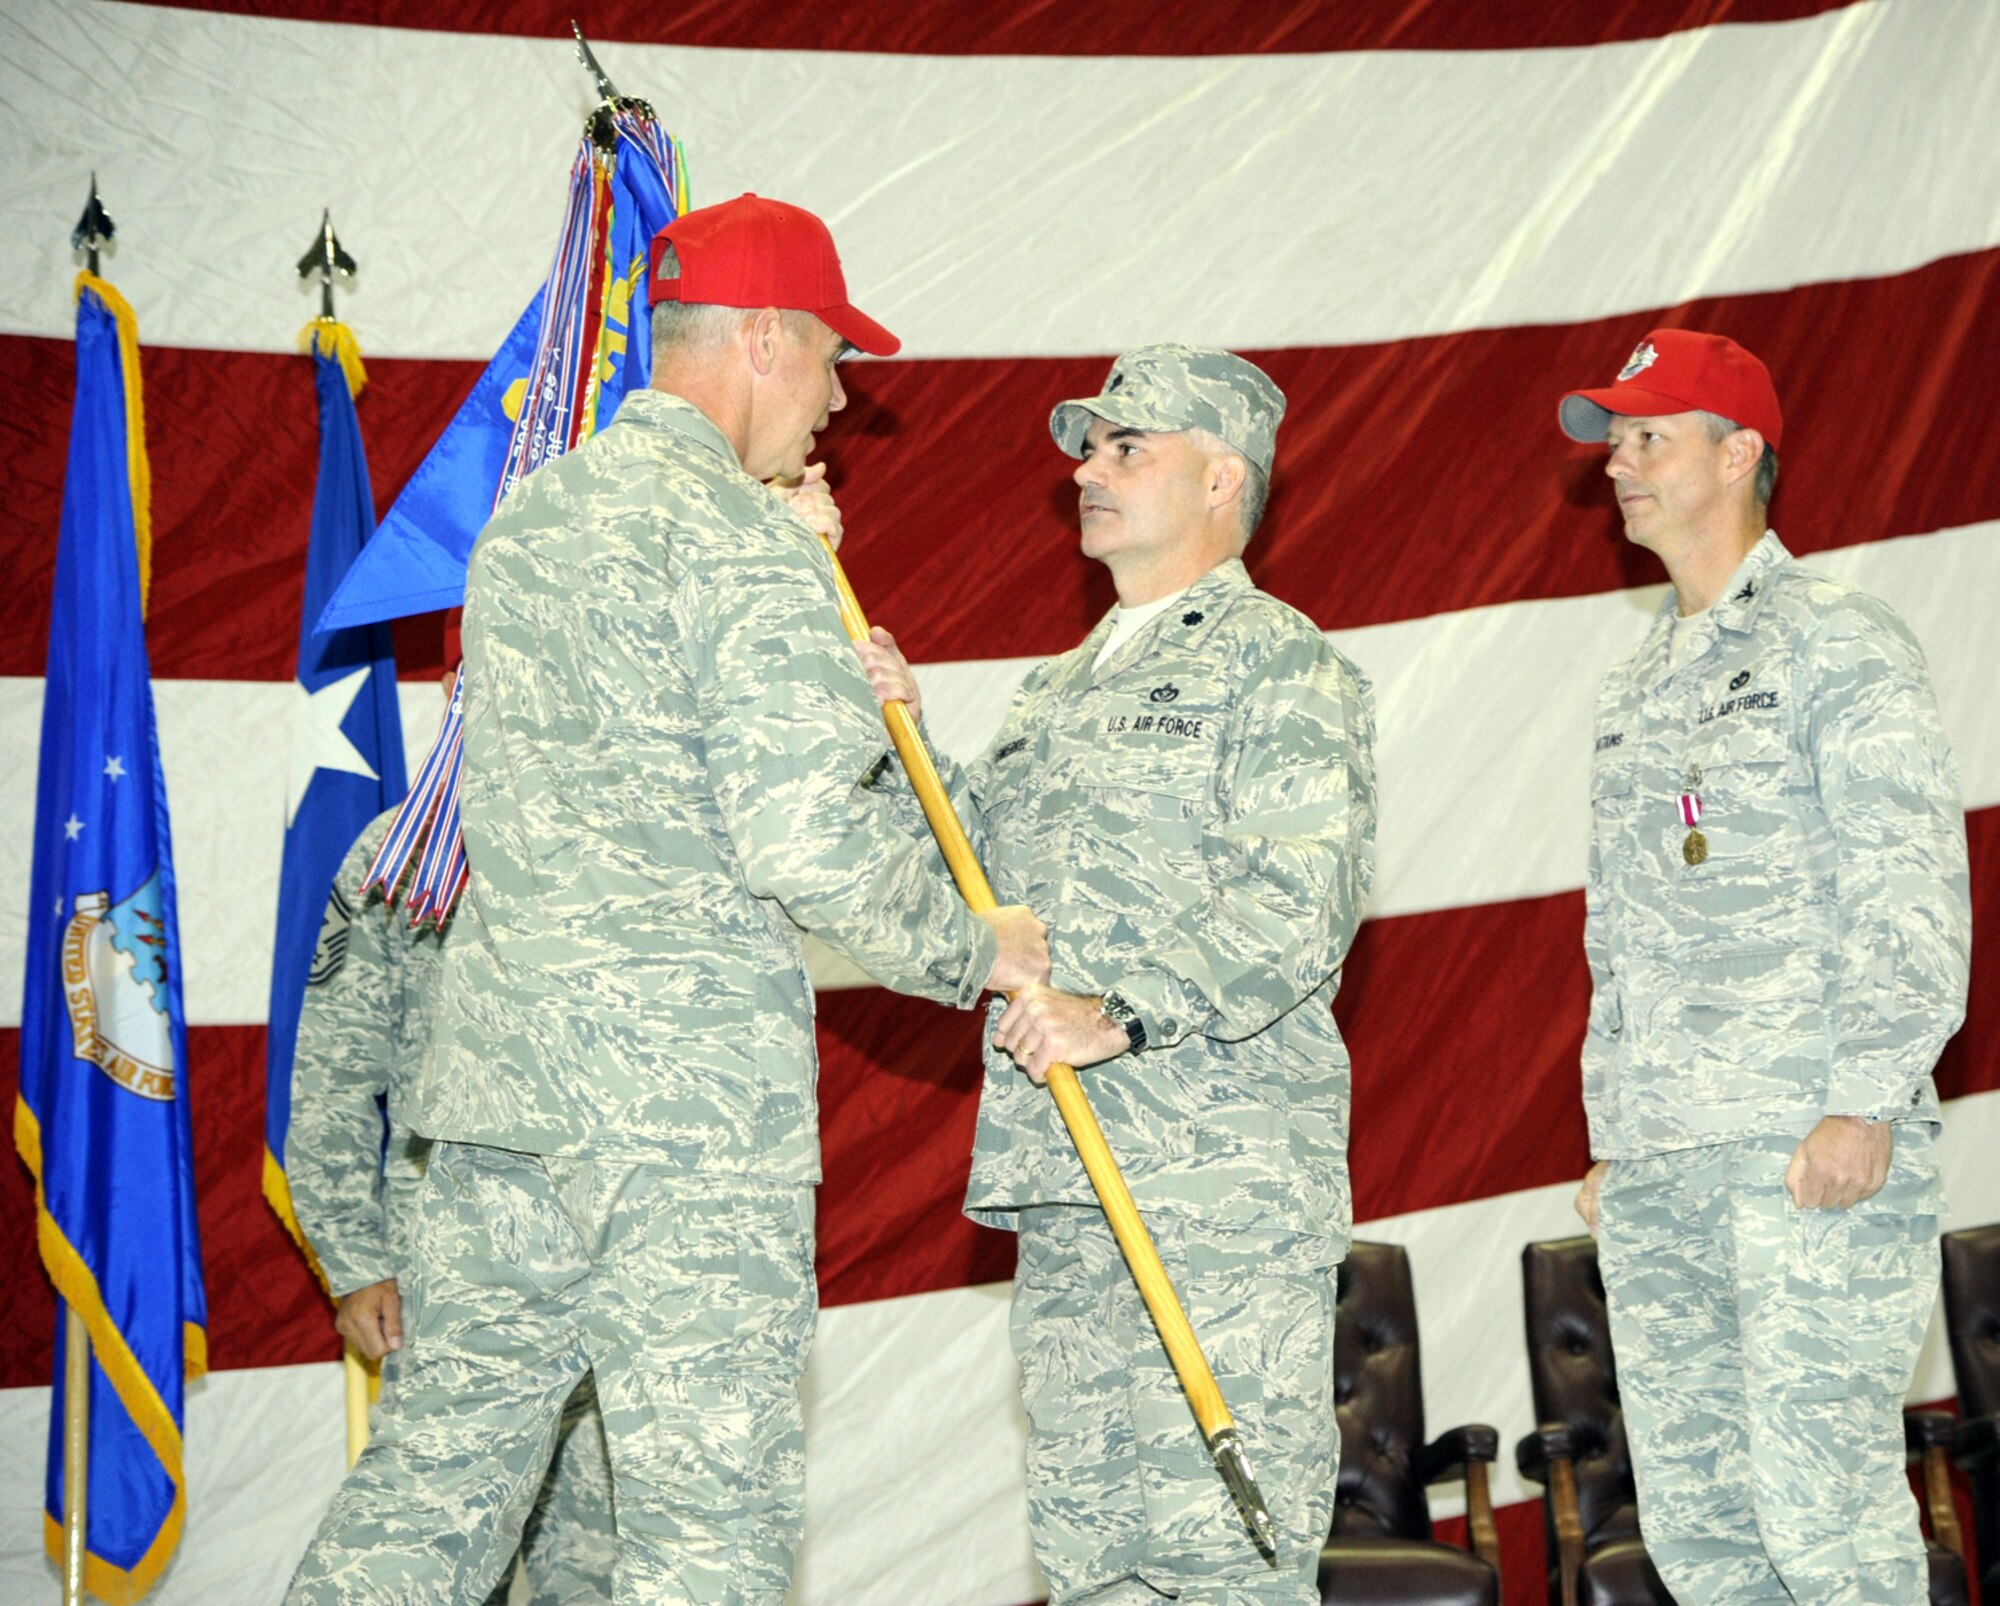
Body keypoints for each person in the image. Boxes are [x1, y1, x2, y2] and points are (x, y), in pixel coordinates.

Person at [287, 193, 1048, 1604]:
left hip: (505, 1111)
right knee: (704, 1534)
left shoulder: (524, 534)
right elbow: (807, 841)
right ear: (762, 338)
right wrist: (977, 947)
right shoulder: (744, 547)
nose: (834, 402)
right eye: (830, 361)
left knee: (429, 1499)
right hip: (685, 1137)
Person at [856, 345, 1376, 1603]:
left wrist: (1123, 1014)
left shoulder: (1280, 661)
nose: (1087, 468)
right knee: (1097, 1570)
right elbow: (976, 890)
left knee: (1221, 1566)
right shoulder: (1059, 688)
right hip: (1072, 1184)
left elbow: (1302, 895)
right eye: (1085, 447)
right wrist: (896, 735)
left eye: (1124, 445)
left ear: (1219, 477)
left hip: (1213, 1196)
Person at [1562, 328, 1970, 1603]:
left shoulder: (1832, 637)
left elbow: (1904, 879)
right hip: (1667, 1154)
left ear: (1738, 453)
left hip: (1801, 1138)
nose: (1618, 465)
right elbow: (1620, 930)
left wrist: (1864, 1098)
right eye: (1614, 441)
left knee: (1824, 1519)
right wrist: (1616, 1133)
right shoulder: (1638, 679)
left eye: (1647, 437)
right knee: (1701, 1529)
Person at [285, 800, 615, 1605]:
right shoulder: (405, 849)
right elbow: (333, 1072)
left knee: (617, 1565)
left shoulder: (625, 812)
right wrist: (354, 1259)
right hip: (455, 1276)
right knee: (442, 1557)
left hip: (623, 1262)